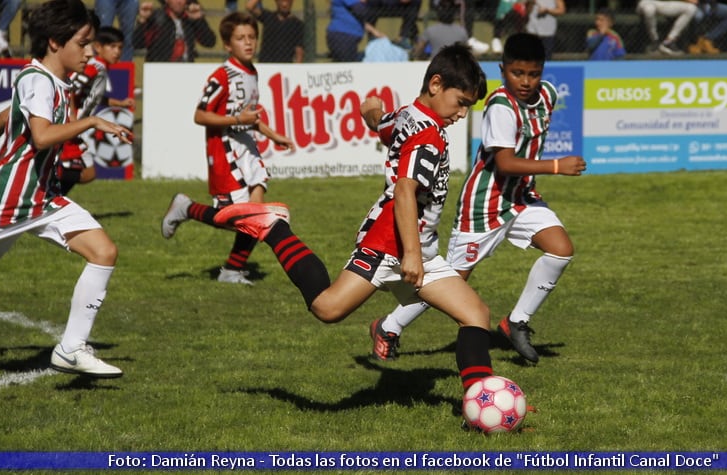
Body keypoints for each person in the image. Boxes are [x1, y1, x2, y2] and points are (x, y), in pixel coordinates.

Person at [181, 44, 498, 396]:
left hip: (416, 246)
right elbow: (406, 191)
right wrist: (410, 253)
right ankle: (274, 227)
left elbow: (382, 124)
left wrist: (371, 110)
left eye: (469, 106)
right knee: (327, 308)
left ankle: (482, 402)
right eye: (461, 103)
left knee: (476, 314)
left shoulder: (409, 115)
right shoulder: (427, 136)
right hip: (391, 245)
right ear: (436, 84)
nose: (462, 113)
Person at [370, 32, 586, 363]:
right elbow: (504, 162)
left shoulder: (548, 95)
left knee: (561, 250)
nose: (526, 81)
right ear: (503, 70)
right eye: (517, 73)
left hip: (520, 198)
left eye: (533, 73)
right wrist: (557, 165)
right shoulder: (500, 105)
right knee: (449, 282)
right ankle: (389, 325)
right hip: (483, 204)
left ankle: (517, 322)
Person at [0, 0, 133, 378]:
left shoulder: (53, 81)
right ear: (55, 42)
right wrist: (90, 121)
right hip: (5, 202)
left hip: (41, 198)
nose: (90, 51)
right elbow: (41, 137)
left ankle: (71, 348)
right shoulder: (38, 79)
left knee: (103, 250)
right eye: (83, 42)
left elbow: (7, 117)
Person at [161, 11, 295, 285]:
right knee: (231, 218)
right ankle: (186, 208)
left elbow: (249, 117)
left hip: (248, 149)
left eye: (252, 37)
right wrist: (236, 120)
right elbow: (200, 115)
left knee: (255, 216)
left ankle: (232, 270)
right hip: (225, 151)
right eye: (241, 38)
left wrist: (273, 135)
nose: (248, 43)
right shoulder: (222, 75)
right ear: (227, 44)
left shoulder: (252, 72)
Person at [59, 26, 136, 195]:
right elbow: (69, 87)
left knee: (87, 172)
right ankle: (47, 200)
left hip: (75, 127)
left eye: (120, 48)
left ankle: (49, 200)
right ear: (99, 47)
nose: (117, 52)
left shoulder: (100, 67)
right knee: (84, 171)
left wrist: (119, 103)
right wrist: (72, 117)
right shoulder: (95, 67)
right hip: (70, 127)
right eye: (112, 47)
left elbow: (92, 95)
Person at [133, 0, 216, 62]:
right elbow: (137, 43)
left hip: (187, 70)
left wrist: (199, 20)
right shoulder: (156, 18)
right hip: (160, 70)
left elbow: (209, 42)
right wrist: (142, 21)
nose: (179, 2)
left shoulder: (190, 18)